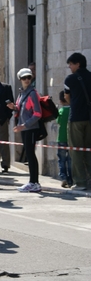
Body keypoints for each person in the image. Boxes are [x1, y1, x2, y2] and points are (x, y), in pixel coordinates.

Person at [7, 68, 42, 193]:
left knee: (31, 154)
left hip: (31, 128)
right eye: (24, 78)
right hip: (25, 128)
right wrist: (14, 107)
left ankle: (34, 182)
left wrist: (24, 125)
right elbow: (22, 109)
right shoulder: (22, 93)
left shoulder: (32, 93)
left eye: (29, 78)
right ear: (20, 79)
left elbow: (38, 113)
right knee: (29, 153)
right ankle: (33, 182)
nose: (27, 80)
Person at [64, 52, 91, 191]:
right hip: (89, 119)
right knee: (88, 150)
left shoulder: (70, 79)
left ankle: (80, 182)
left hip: (76, 119)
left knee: (76, 150)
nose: (69, 67)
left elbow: (67, 97)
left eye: (71, 64)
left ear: (77, 64)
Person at [56, 90, 72, 188]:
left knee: (61, 160)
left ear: (61, 101)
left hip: (61, 138)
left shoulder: (61, 111)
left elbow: (58, 121)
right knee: (70, 160)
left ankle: (63, 177)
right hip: (70, 139)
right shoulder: (72, 110)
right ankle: (70, 179)